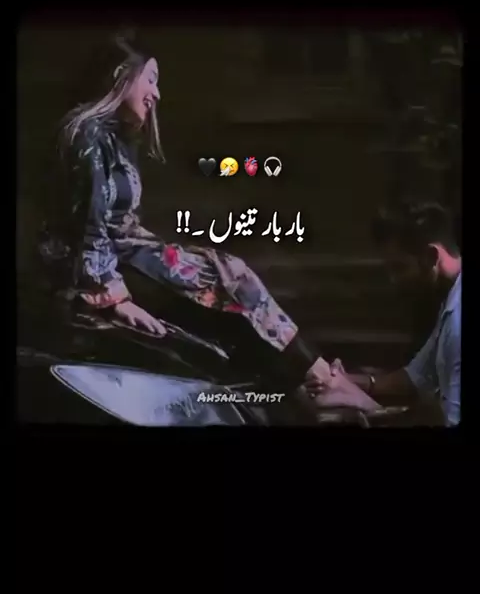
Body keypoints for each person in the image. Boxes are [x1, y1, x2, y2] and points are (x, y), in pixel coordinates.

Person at [39, 32, 360, 405]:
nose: (157, 94)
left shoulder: (112, 137)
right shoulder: (87, 134)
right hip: (100, 268)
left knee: (229, 275)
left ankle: (316, 382)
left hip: (126, 254)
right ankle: (322, 382)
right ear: (120, 75)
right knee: (230, 278)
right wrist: (114, 299)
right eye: (151, 79)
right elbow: (88, 223)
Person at [305, 202, 462, 427]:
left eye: (399, 268)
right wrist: (340, 380)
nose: (394, 280)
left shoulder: (458, 323)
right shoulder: (449, 300)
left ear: (430, 256)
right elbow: (416, 377)